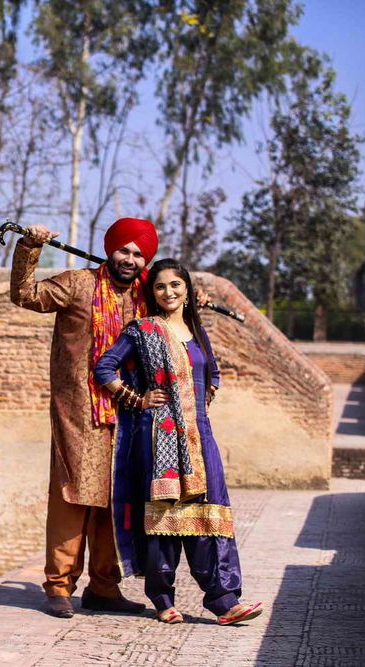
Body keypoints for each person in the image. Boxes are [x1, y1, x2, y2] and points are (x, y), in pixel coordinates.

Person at [93, 258, 264, 625]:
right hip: (159, 440)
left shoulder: (196, 331)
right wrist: (136, 399)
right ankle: (162, 598)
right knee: (165, 520)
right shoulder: (141, 330)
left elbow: (213, 372)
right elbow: (104, 367)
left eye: (175, 285)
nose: (168, 292)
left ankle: (224, 601)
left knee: (210, 518)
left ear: (186, 290)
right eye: (160, 286)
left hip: (200, 437)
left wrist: (204, 396)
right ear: (152, 294)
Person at [10, 217, 158, 619]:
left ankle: (105, 588)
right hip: (78, 412)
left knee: (117, 500)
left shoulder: (147, 298)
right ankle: (59, 585)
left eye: (139, 254)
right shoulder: (77, 283)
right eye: (124, 250)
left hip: (131, 414)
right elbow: (25, 295)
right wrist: (30, 248)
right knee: (73, 496)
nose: (130, 259)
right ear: (110, 248)